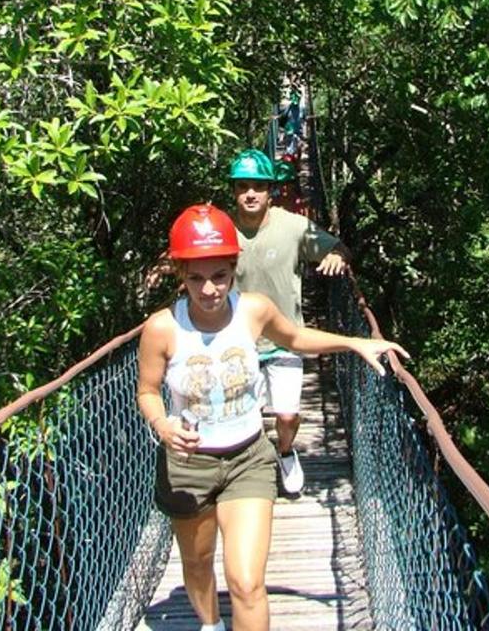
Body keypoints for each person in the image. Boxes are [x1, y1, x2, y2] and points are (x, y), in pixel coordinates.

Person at [137, 204, 407, 631]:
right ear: (181, 275)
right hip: (187, 466)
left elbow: (296, 337)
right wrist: (162, 425)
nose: (209, 290)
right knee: (198, 561)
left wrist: (355, 343)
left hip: (248, 459)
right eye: (196, 278)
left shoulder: (254, 310)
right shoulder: (162, 328)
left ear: (233, 267)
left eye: (220, 276)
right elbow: (148, 392)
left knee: (246, 582)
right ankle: (210, 625)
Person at [227, 149, 350, 496]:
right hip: (236, 342)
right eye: (242, 186)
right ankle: (248, 473)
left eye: (258, 186)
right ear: (234, 191)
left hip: (285, 340)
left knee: (286, 415)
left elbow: (339, 247)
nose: (250, 193)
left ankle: (284, 451)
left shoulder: (294, 226)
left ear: (271, 191)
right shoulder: (221, 229)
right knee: (244, 418)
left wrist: (335, 256)